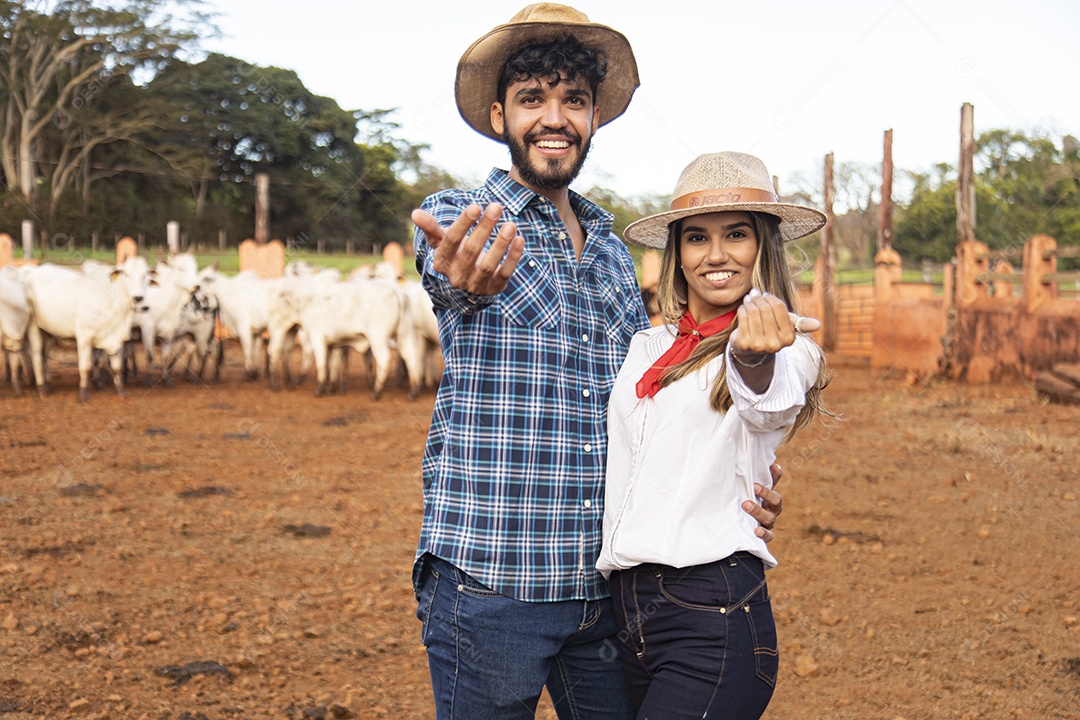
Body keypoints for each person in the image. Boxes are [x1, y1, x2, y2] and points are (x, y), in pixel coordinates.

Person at [409, 6, 785, 718]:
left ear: (592, 119)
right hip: (493, 585)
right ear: (498, 116)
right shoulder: (466, 216)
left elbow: (652, 403)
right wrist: (463, 274)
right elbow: (448, 263)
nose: (555, 117)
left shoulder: (614, 256)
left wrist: (740, 471)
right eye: (532, 99)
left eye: (572, 100)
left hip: (607, 593)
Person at [596, 151, 833, 719]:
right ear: (678, 254)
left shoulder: (789, 348)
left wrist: (751, 355)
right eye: (697, 238)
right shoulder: (645, 348)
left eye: (737, 235)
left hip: (711, 613)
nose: (717, 254)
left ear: (764, 247)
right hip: (623, 612)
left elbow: (768, 402)